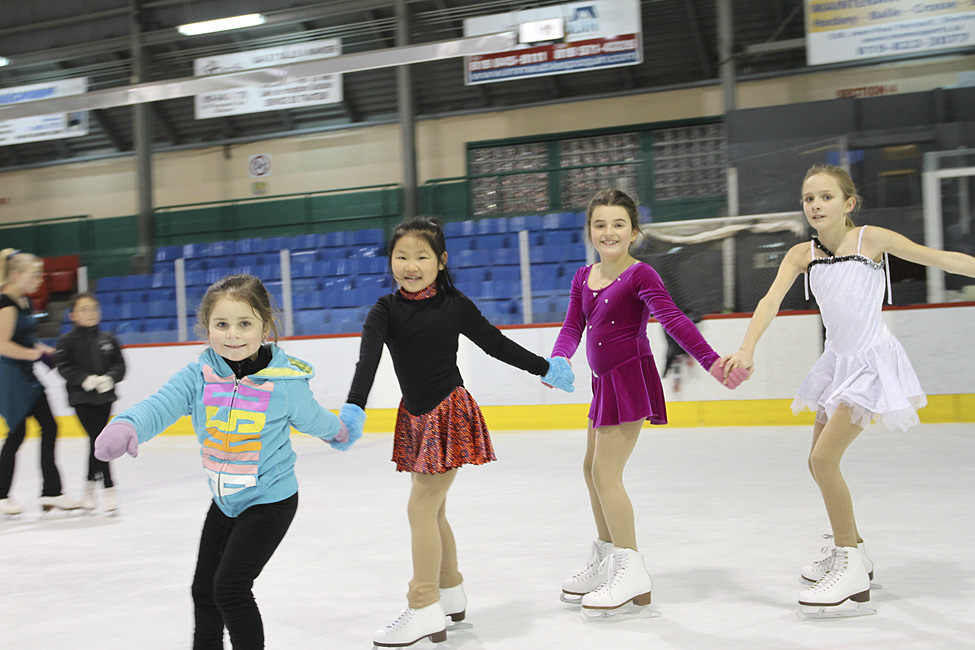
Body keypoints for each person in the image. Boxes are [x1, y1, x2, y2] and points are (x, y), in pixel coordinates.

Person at [719, 164, 975, 617]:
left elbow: (942, 258)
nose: (815, 205)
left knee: (823, 459)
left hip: (871, 362)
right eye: (808, 198)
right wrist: (747, 347)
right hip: (837, 364)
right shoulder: (802, 254)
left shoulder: (871, 240)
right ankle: (853, 549)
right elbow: (769, 301)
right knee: (816, 463)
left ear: (849, 203)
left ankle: (852, 569)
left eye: (826, 197)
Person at [341, 216, 575, 648]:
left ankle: (424, 603)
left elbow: (496, 344)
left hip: (448, 414)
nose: (411, 266)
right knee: (433, 510)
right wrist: (355, 406)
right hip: (414, 417)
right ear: (391, 260)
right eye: (402, 256)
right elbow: (367, 361)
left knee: (421, 509)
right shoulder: (384, 311)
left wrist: (547, 369)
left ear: (441, 261)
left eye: (421, 256)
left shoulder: (455, 304)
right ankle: (450, 591)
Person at [94, 274, 359, 649]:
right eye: (222, 324)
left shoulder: (284, 383)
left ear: (265, 327)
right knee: (203, 590)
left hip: (270, 502)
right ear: (206, 329)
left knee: (230, 589)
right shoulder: (197, 377)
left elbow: (314, 417)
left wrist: (341, 431)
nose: (233, 335)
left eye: (244, 324)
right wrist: (128, 423)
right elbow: (162, 404)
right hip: (225, 501)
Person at [550, 188, 747, 617]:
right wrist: (559, 358)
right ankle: (607, 559)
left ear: (634, 231)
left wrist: (713, 363)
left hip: (629, 380)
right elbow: (572, 326)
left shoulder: (641, 275)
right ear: (590, 231)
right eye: (600, 224)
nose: (608, 231)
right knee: (591, 469)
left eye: (618, 224)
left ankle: (631, 566)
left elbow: (673, 320)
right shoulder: (583, 277)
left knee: (606, 473)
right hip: (604, 383)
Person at [0, 248, 80, 516]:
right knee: (17, 434)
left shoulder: (25, 302)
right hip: (9, 376)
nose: (39, 281)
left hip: (24, 373)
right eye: (34, 276)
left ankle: (52, 492)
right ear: (17, 275)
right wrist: (36, 353)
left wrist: (43, 349)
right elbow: (2, 345)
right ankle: (1, 495)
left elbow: (23, 340)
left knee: (49, 426)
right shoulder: (6, 304)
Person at [54, 292, 126, 513]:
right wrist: (83, 379)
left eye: (94, 308)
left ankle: (89, 487)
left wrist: (109, 378)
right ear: (72, 314)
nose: (90, 313)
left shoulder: (108, 339)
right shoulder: (67, 341)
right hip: (81, 398)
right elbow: (64, 366)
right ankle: (109, 486)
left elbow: (120, 365)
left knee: (96, 441)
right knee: (99, 440)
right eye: (84, 309)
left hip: (104, 398)